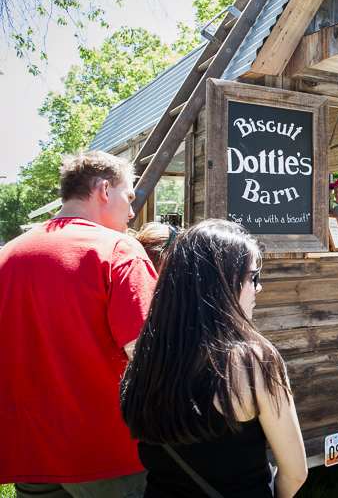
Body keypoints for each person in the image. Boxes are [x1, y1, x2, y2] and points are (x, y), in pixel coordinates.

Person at [0, 150, 157, 495]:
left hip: (30, 450)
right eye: (128, 197)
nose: (132, 211)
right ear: (103, 190)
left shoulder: (7, 255)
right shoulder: (118, 250)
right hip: (107, 454)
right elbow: (151, 359)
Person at [120, 219, 308, 498]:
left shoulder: (147, 353)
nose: (258, 288)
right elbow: (295, 473)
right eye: (252, 277)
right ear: (221, 282)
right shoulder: (253, 361)